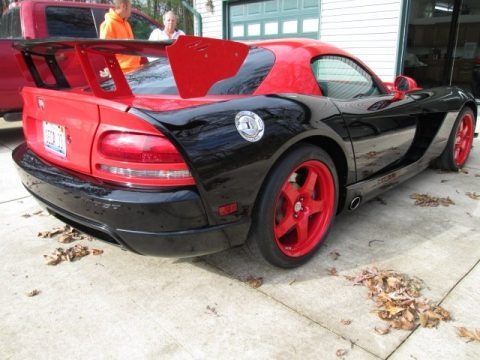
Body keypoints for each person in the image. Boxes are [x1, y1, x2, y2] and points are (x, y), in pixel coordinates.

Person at [99, 0, 140, 73]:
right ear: (123, 6)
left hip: (134, 69)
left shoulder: (126, 24)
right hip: (122, 71)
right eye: (130, 6)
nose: (131, 10)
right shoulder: (109, 24)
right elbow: (105, 50)